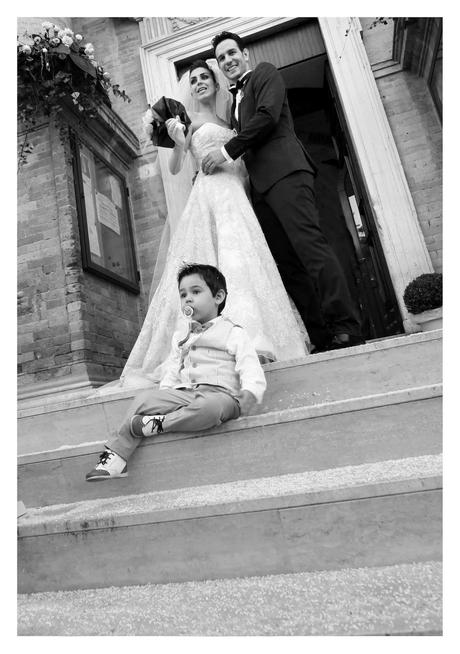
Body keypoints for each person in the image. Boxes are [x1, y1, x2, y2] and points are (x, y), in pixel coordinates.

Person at [103, 58, 308, 393]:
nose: (198, 82)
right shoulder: (192, 120)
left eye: (204, 77)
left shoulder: (231, 120)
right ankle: (220, 344)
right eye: (193, 79)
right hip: (210, 194)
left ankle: (256, 337)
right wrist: (180, 142)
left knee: (244, 260)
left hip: (236, 196)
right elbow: (174, 167)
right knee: (220, 261)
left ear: (215, 82)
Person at [202, 31, 364, 351]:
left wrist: (224, 153)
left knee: (311, 248)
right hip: (260, 189)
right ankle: (319, 334)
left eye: (232, 53)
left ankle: (346, 326)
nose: (228, 60)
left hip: (287, 174)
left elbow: (266, 117)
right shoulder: (234, 100)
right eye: (222, 58)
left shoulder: (265, 73)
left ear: (244, 54)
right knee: (286, 264)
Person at [86, 264, 267, 481]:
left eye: (196, 292)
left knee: (208, 409)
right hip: (186, 392)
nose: (188, 299)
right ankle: (116, 456)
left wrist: (250, 393)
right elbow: (173, 369)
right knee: (144, 399)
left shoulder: (234, 332)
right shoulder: (182, 336)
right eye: (183, 295)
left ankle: (155, 425)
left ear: (218, 296)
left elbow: (250, 366)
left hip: (222, 396)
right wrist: (163, 396)